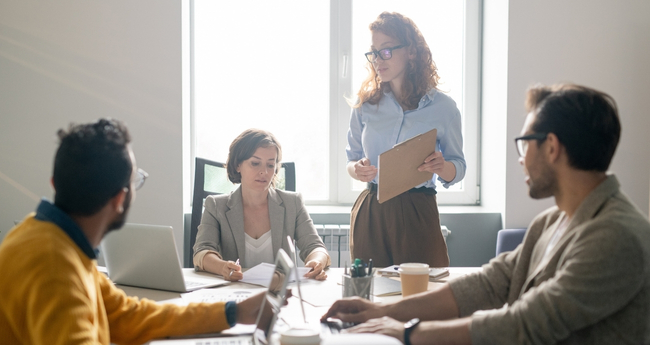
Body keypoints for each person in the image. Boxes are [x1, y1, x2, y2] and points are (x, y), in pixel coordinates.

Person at [323, 84, 650, 344]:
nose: (521, 158)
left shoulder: (617, 236)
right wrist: (381, 310)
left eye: (524, 143)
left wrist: (406, 332)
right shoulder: (551, 223)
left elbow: (525, 324)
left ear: (551, 147)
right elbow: (491, 284)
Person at [0, 119, 269, 345]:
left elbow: (126, 315)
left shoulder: (48, 238)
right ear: (120, 199)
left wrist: (234, 311)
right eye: (135, 182)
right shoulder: (53, 264)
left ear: (55, 183)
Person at [346, 12, 466, 268]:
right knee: (370, 294)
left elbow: (459, 166)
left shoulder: (444, 108)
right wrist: (356, 169)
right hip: (371, 209)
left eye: (386, 51)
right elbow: (351, 157)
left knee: (425, 295)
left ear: (411, 52)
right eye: (374, 53)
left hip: (417, 209)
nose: (378, 60)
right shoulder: (366, 104)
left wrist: (441, 167)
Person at [193, 129, 330, 281]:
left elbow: (316, 247)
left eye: (270, 165)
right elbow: (201, 252)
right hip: (235, 292)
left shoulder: (293, 203)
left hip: (281, 293)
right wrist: (222, 267)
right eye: (255, 163)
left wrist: (316, 261)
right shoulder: (216, 206)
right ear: (238, 165)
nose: (264, 172)